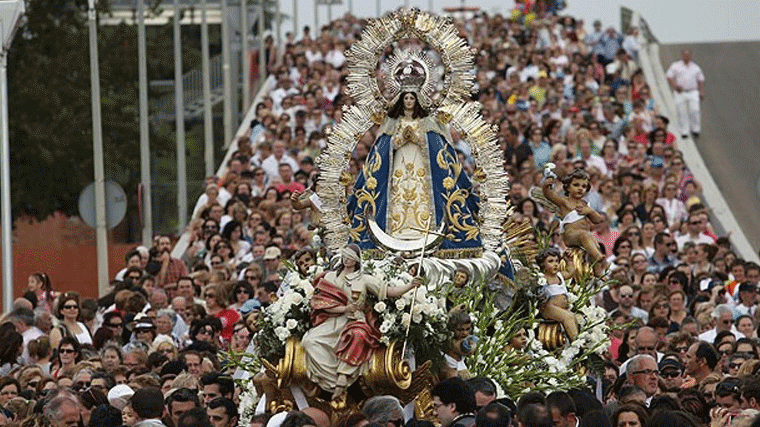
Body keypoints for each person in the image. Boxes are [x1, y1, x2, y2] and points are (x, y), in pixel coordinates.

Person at [347, 91, 482, 253]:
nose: (409, 101)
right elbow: (381, 151)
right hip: (398, 167)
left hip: (423, 169)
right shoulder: (392, 123)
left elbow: (439, 149)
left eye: (412, 98)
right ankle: (396, 233)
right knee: (399, 196)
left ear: (418, 101)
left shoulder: (429, 122)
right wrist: (399, 140)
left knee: (421, 196)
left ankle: (424, 231)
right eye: (406, 98)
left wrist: (418, 139)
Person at [301, 244, 420, 400]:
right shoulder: (330, 277)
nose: (346, 259)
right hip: (333, 319)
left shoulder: (364, 279)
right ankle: (329, 381)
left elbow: (389, 292)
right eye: (345, 256)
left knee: (359, 335)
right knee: (309, 341)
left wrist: (410, 285)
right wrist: (343, 309)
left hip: (355, 321)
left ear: (356, 260)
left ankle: (343, 377)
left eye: (350, 257)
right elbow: (320, 302)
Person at [541, 167, 605, 275]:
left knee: (594, 243)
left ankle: (598, 271)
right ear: (568, 187)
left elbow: (598, 220)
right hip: (570, 235)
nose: (580, 188)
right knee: (585, 236)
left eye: (584, 186)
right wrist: (546, 184)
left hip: (584, 235)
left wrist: (590, 212)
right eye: (576, 185)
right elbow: (549, 195)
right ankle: (597, 255)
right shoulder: (564, 202)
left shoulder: (585, 205)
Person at [536, 248, 578, 340]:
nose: (555, 264)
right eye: (550, 261)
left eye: (557, 261)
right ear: (542, 264)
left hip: (561, 308)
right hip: (549, 308)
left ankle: (574, 339)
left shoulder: (560, 276)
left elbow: (570, 271)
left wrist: (569, 261)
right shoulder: (542, 279)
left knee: (573, 317)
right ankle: (577, 342)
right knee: (568, 317)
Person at [666, 49, 705, 138]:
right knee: (682, 111)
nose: (686, 57)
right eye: (685, 55)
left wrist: (701, 91)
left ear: (690, 56)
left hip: (693, 91)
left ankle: (695, 129)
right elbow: (669, 76)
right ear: (682, 56)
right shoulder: (676, 66)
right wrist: (675, 85)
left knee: (694, 110)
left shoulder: (695, 67)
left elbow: (701, 80)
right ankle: (684, 131)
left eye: (688, 55)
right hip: (680, 92)